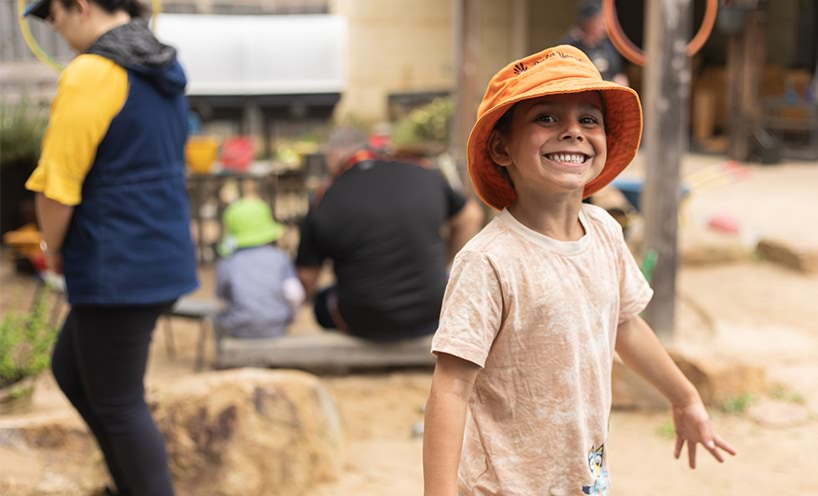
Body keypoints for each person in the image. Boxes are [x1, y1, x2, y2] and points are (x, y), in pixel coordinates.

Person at [422, 45, 736, 496]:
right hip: (506, 485)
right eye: (546, 118)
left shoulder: (605, 231)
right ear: (501, 146)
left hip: (583, 477)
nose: (572, 132)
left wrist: (685, 397)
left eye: (589, 120)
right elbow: (451, 387)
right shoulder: (490, 261)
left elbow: (625, 326)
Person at [23, 0, 198, 494]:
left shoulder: (93, 73)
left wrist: (50, 247)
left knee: (120, 404)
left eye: (53, 18)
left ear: (78, 7)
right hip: (159, 251)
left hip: (117, 263)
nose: (56, 30)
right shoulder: (163, 62)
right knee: (72, 371)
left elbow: (57, 186)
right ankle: (129, 482)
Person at [295, 127, 484, 341]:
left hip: (364, 322)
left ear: (334, 156)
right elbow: (471, 216)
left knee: (322, 302)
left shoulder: (323, 199)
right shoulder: (422, 173)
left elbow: (306, 278)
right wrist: (447, 264)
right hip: (433, 313)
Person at [215, 197, 304, 339]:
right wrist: (291, 317)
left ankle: (222, 357)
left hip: (239, 329)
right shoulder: (279, 257)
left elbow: (223, 297)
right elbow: (294, 294)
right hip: (277, 327)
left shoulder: (228, 263)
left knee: (217, 319)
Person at [560, 0, 629, 86]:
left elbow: (619, 74)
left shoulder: (607, 46)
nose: (604, 26)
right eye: (600, 21)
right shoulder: (569, 46)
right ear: (587, 21)